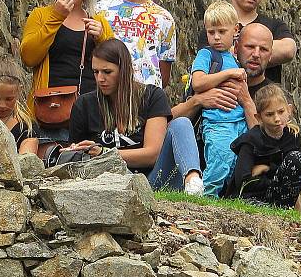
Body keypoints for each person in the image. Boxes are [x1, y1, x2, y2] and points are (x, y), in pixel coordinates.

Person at [68, 38, 203, 194]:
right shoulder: (84, 104)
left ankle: (193, 182)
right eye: (95, 72)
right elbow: (75, 158)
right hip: (108, 184)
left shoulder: (152, 96)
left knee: (181, 124)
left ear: (123, 69)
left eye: (107, 72)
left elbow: (152, 154)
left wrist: (104, 153)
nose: (100, 79)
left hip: (152, 179)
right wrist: (76, 150)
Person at [20, 0, 114, 125]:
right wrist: (57, 16)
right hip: (49, 111)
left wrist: (102, 39)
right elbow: (28, 57)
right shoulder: (40, 15)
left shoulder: (98, 21)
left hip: (93, 113)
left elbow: (118, 65)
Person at [197, 0, 296, 84]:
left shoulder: (274, 26)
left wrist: (237, 52)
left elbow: (288, 49)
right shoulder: (215, 29)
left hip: (265, 98)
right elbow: (209, 61)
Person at [190, 0, 248, 196]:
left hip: (238, 122)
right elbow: (197, 82)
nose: (216, 37)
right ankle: (205, 199)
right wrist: (228, 74)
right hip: (217, 123)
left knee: (232, 167)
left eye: (221, 32)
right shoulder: (206, 54)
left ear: (235, 29)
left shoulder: (233, 57)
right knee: (218, 164)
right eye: (211, 32)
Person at [173, 22, 274, 126]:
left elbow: (272, 140)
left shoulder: (275, 95)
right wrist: (197, 100)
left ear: (270, 55)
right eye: (250, 47)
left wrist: (246, 101)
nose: (256, 54)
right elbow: (167, 123)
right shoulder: (211, 77)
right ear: (236, 48)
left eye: (263, 49)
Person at [222, 84, 301, 208]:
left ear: (289, 110)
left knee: (297, 158)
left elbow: (293, 178)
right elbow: (244, 182)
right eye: (269, 114)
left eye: (281, 112)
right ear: (259, 118)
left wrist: (268, 168)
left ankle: (285, 210)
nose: (277, 119)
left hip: (278, 196)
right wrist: (274, 180)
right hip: (250, 197)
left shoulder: (293, 136)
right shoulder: (250, 141)